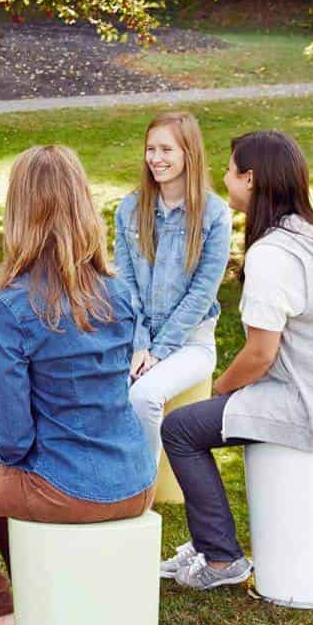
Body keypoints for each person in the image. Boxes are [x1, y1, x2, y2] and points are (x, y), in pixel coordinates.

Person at [0, 146, 158, 625]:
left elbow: (12, 443)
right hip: (137, 479)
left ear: (19, 212)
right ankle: (36, 587)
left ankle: (4, 621)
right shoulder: (120, 292)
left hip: (69, 488)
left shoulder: (11, 306)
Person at [160, 130, 313, 591]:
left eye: (230, 169)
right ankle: (209, 546)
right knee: (198, 422)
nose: (224, 177)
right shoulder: (310, 232)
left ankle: (220, 558)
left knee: (179, 428)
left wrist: (221, 390)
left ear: (251, 179)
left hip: (307, 403)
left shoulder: (272, 254)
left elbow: (259, 354)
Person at [113, 111, 233, 458]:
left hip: (191, 343)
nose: (155, 158)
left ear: (188, 153)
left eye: (166, 149)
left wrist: (158, 352)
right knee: (98, 393)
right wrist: (139, 345)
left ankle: (140, 491)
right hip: (136, 339)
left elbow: (202, 293)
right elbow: (126, 285)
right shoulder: (130, 209)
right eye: (151, 149)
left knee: (144, 396)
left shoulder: (214, 214)